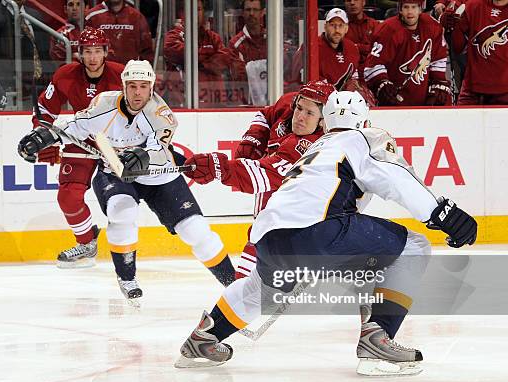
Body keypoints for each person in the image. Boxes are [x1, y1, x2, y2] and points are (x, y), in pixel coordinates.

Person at [174, 91, 477, 376]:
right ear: (364, 120)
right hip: (319, 231)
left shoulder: (316, 148)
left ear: (326, 122)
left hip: (268, 237)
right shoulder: (364, 138)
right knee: (412, 247)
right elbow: (396, 179)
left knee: (262, 288)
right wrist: (442, 213)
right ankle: (377, 339)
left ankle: (204, 338)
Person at [18, 60, 236, 299]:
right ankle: (128, 278)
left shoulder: (162, 115)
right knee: (122, 211)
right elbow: (75, 127)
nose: (138, 92)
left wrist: (142, 156)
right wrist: (46, 136)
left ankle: (234, 285)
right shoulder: (103, 104)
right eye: (132, 86)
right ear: (123, 86)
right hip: (115, 173)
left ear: (152, 87)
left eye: (144, 86)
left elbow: (160, 151)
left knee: (196, 230)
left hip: (158, 176)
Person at [184, 81, 336, 279]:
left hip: (295, 225)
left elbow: (260, 176)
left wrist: (217, 167)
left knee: (258, 271)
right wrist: (254, 138)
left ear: (323, 121)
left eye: (309, 114)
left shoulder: (310, 147)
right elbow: (265, 115)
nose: (299, 117)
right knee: (252, 268)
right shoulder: (287, 106)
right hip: (270, 218)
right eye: (299, 108)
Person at [30, 27, 124, 268]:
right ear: (80, 53)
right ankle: (86, 243)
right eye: (87, 52)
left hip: (116, 144)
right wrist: (41, 137)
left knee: (123, 201)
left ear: (105, 52)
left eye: (97, 51)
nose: (92, 57)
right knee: (68, 197)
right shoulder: (65, 75)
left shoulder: (122, 76)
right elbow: (45, 110)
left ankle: (127, 249)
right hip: (80, 140)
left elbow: (142, 108)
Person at [364, 0, 452, 106]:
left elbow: (438, 58)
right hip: (395, 98)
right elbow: (373, 64)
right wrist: (383, 84)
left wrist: (438, 82)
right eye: (406, 7)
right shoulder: (387, 30)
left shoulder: (432, 27)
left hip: (422, 99)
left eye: (414, 7)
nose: (410, 12)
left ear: (420, 9)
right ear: (400, 9)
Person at [163, 0, 234, 107]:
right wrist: (207, 56)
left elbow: (224, 60)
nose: (196, 13)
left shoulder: (213, 37)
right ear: (182, 13)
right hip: (183, 104)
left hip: (214, 102)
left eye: (199, 9)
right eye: (192, 9)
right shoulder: (173, 36)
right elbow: (178, 52)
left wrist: (200, 63)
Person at [445, 0, 508, 105]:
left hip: (507, 91)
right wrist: (454, 27)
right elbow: (458, 48)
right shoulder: (472, 6)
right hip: (472, 90)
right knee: (460, 120)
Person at [291, 9, 361, 91]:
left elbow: (354, 77)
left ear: (346, 28)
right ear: (325, 26)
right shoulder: (310, 46)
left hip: (344, 99)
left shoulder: (351, 47)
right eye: (332, 25)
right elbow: (298, 79)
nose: (337, 30)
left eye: (341, 25)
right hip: (317, 97)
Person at [85, 0, 154, 65]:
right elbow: (85, 49)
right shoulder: (91, 16)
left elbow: (147, 51)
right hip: (101, 74)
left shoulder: (137, 17)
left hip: (130, 74)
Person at [228, 0, 267, 105]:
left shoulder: (273, 41)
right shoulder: (235, 44)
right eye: (248, 9)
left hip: (273, 102)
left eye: (255, 10)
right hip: (247, 107)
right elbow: (239, 81)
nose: (251, 13)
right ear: (242, 12)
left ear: (263, 12)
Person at [344, 0, 382, 74]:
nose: (352, 3)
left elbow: (378, 51)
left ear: (363, 2)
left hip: (371, 71)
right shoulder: (340, 26)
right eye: (348, 0)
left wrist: (356, 46)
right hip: (347, 72)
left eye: (356, 0)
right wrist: (366, 48)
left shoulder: (375, 25)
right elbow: (342, 50)